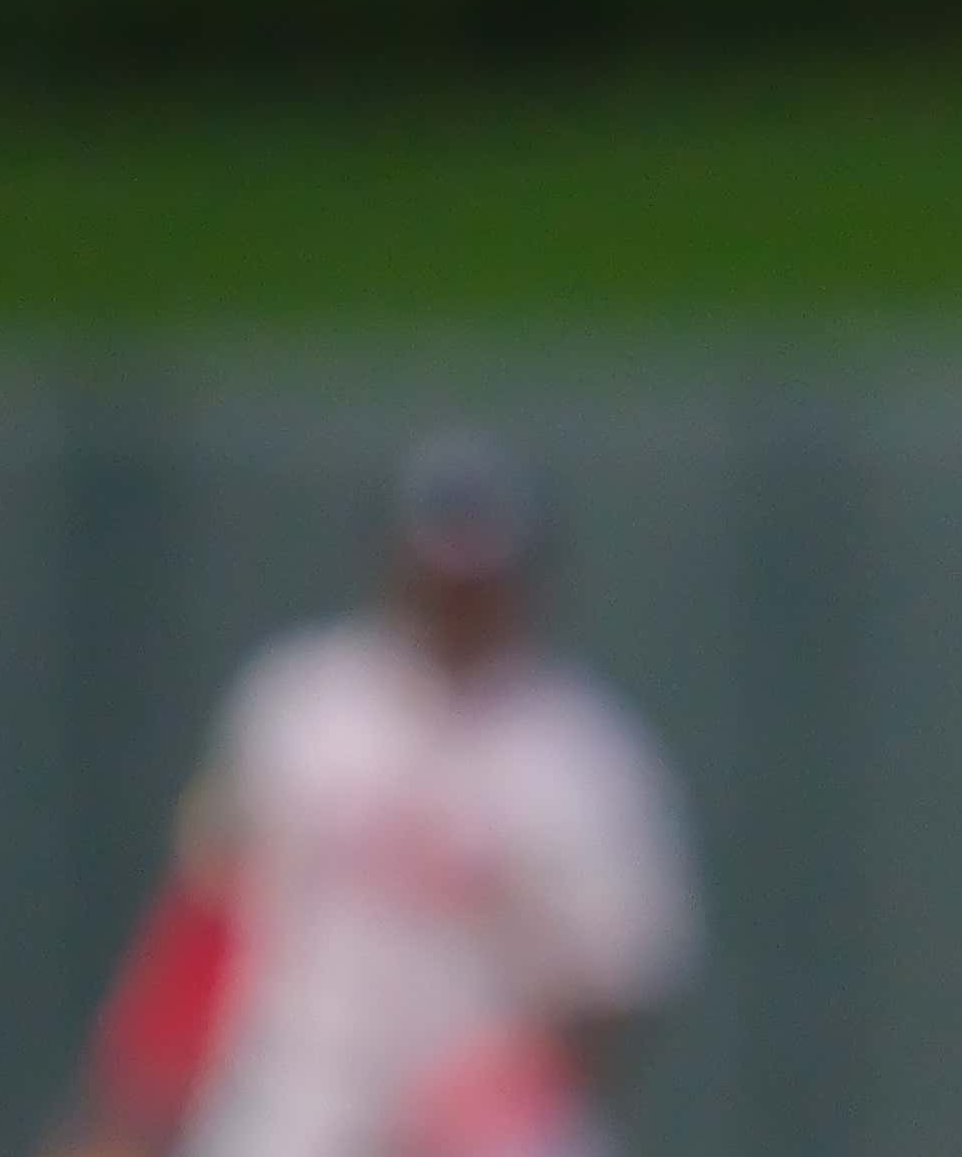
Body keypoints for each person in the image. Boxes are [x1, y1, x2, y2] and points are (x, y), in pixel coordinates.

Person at [56, 433, 697, 1157]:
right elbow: (212, 917)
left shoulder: (584, 756)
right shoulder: (302, 704)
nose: (456, 599)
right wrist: (127, 1113)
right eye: (439, 573)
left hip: (483, 1123)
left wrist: (502, 1092)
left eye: (477, 579)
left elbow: (616, 981)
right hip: (296, 1104)